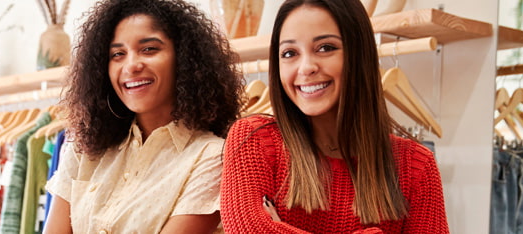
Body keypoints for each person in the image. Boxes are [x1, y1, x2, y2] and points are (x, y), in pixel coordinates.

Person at [219, 0, 449, 233]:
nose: (306, 67)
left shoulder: (416, 165)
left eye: (325, 48)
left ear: (359, 54)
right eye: (289, 53)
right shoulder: (254, 139)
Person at [43, 0, 244, 233]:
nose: (131, 65)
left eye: (149, 49)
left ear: (185, 58)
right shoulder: (83, 149)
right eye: (118, 54)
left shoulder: (214, 157)